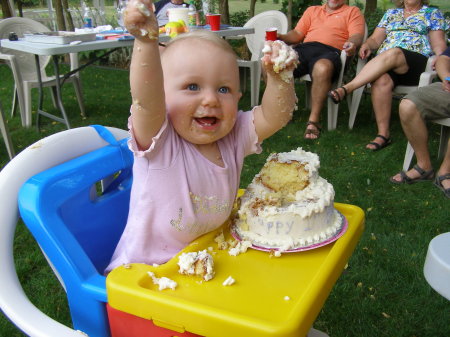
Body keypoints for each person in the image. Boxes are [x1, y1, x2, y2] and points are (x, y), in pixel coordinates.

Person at [105, 0, 298, 272]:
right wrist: (147, 42)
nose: (210, 99)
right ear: (163, 96)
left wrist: (280, 79)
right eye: (192, 86)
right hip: (144, 275)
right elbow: (145, 101)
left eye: (223, 89)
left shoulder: (233, 135)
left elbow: (275, 116)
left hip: (206, 260)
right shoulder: (161, 140)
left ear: (238, 97)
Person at [328, 0, 447, 151]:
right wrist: (367, 45)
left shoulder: (432, 14)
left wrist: (440, 56)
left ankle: (347, 88)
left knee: (395, 52)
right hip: (386, 63)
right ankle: (383, 134)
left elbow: (438, 44)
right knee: (381, 79)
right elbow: (375, 39)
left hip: (416, 62)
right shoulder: (391, 14)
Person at [277, 0, 365, 139]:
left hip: (330, 52)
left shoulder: (352, 12)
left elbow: (357, 35)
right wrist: (280, 37)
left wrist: (352, 43)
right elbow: (297, 34)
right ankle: (283, 112)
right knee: (276, 64)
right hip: (306, 49)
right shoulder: (312, 10)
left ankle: (313, 122)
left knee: (322, 68)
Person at [389, 46, 450, 199]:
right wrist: (447, 78)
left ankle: (445, 173)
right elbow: (444, 59)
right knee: (408, 105)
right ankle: (424, 166)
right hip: (447, 88)